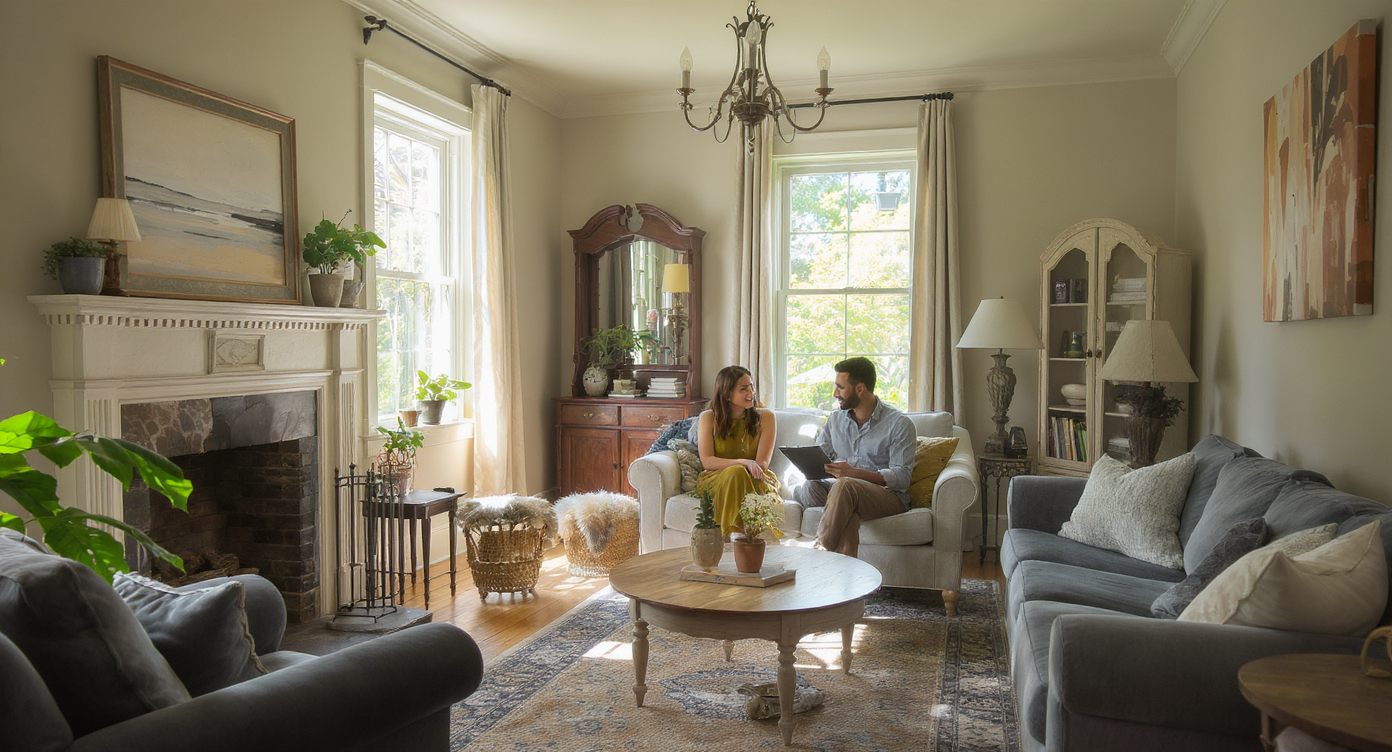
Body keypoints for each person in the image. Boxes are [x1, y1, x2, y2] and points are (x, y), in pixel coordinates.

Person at [795, 357, 915, 557]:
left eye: (840, 388)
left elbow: (902, 477)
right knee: (819, 492)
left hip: (886, 497)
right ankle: (846, 584)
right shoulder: (835, 420)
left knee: (846, 485)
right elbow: (821, 457)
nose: (835, 394)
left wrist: (854, 474)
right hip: (842, 494)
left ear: (860, 389)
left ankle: (819, 555)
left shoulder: (899, 424)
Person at [694, 365, 780, 536]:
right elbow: (708, 461)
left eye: (751, 387)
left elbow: (762, 464)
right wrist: (742, 462)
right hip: (716, 478)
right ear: (726, 393)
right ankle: (736, 539)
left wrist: (743, 466)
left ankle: (728, 541)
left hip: (755, 477)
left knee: (738, 473)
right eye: (743, 389)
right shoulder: (708, 417)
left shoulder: (766, 417)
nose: (751, 393)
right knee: (736, 472)